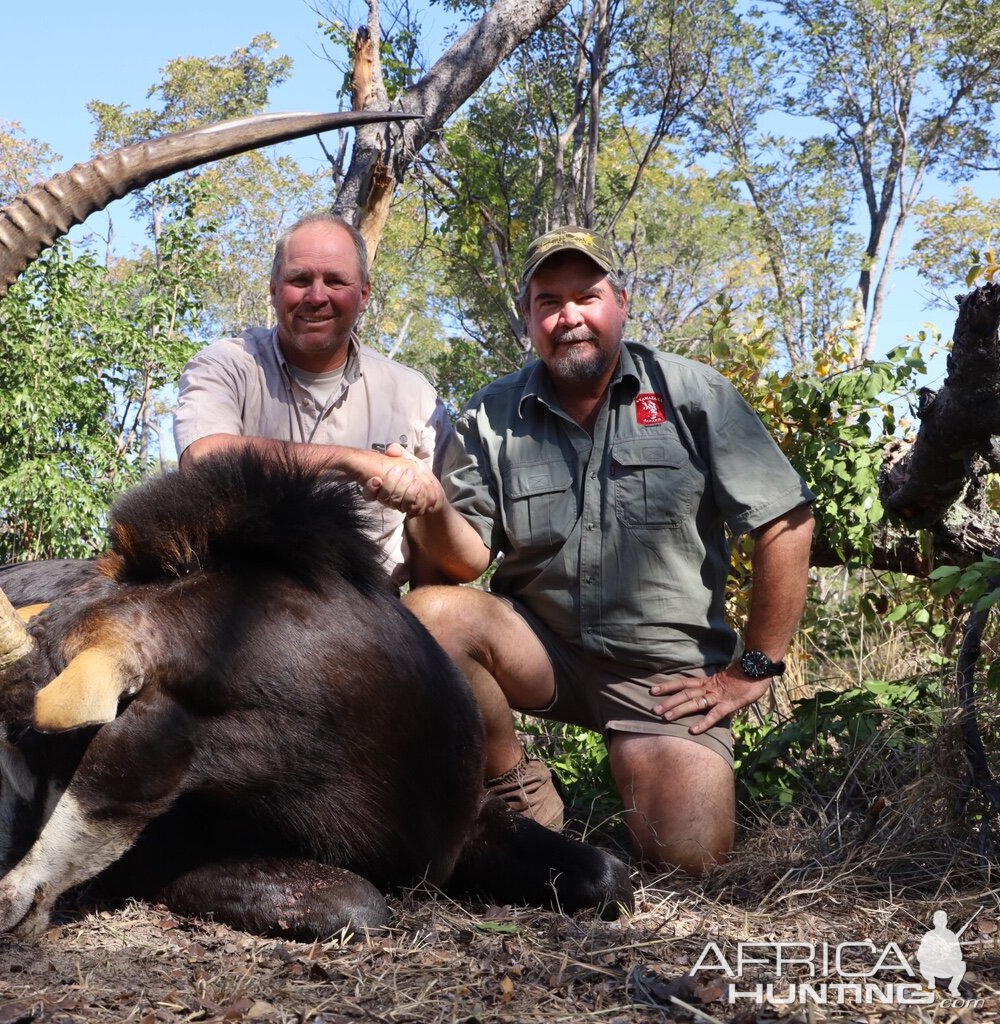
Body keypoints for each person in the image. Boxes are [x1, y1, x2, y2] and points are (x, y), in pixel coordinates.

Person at [397, 226, 815, 870]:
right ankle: (518, 787)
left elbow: (785, 520)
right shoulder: (491, 414)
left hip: (664, 676)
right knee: (431, 612)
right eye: (548, 302)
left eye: (587, 297)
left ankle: (647, 770)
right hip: (542, 652)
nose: (569, 318)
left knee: (690, 860)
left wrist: (751, 670)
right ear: (528, 320)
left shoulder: (692, 395)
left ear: (620, 302)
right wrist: (428, 503)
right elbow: (467, 562)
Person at [174, 213, 451, 587]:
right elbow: (203, 459)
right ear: (273, 289)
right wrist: (354, 461)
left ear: (364, 295)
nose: (317, 296)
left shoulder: (414, 396)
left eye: (336, 281)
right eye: (299, 279)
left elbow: (435, 554)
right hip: (235, 606)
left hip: (365, 617)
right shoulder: (226, 365)